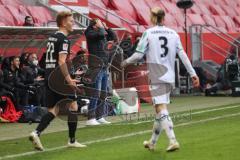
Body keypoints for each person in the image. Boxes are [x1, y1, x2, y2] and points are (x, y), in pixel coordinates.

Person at [121, 7, 200, 152]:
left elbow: (138, 55)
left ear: (152, 18)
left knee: (160, 108)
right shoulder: (173, 34)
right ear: (164, 18)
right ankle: (152, 142)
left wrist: (125, 62)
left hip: (156, 75)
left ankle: (173, 140)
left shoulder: (148, 33)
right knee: (159, 110)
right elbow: (182, 55)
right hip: (169, 76)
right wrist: (192, 73)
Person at [29, 11, 86, 151]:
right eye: (71, 21)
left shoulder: (52, 38)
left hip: (49, 75)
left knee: (53, 109)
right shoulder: (64, 40)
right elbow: (61, 61)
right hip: (59, 77)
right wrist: (69, 79)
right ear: (63, 22)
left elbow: (45, 59)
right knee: (73, 106)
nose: (73, 23)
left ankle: (36, 133)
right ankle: (72, 141)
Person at [84, 18, 116, 125]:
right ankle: (90, 118)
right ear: (94, 25)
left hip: (103, 66)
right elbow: (102, 34)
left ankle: (99, 116)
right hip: (96, 66)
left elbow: (114, 38)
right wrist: (102, 27)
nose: (102, 24)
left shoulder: (101, 31)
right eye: (100, 23)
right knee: (95, 93)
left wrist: (107, 28)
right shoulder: (90, 33)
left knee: (103, 93)